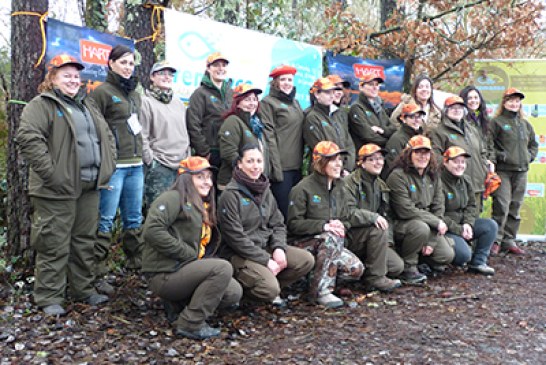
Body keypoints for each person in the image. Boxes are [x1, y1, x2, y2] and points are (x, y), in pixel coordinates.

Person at [17, 54, 116, 315]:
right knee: (53, 242)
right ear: (52, 78)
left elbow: (106, 136)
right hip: (55, 190)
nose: (73, 80)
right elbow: (28, 139)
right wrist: (53, 175)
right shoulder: (42, 105)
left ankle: (82, 289)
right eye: (66, 75)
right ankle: (49, 297)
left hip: (89, 186)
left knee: (84, 241)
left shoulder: (87, 105)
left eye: (76, 75)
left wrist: (109, 165)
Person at [143, 157, 242, 340]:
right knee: (222, 268)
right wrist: (187, 253)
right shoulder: (172, 198)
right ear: (186, 179)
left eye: (209, 177)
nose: (207, 182)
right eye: (200, 177)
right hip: (164, 273)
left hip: (185, 268)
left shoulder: (204, 204)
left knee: (232, 293)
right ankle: (190, 324)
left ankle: (178, 305)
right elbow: (152, 230)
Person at [218, 145, 314, 306]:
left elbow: (278, 223)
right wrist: (266, 260)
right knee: (269, 288)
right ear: (239, 164)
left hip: (266, 246)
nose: (255, 166)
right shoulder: (230, 195)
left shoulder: (264, 189)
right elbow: (235, 237)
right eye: (250, 161)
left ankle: (270, 284)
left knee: (306, 260)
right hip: (240, 255)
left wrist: (278, 248)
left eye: (259, 161)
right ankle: (251, 294)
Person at [91, 45, 144, 292]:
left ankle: (136, 263)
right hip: (115, 167)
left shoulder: (134, 94)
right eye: (123, 62)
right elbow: (95, 129)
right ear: (111, 64)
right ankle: (97, 271)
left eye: (131, 63)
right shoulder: (102, 92)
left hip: (136, 164)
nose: (127, 67)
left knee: (134, 217)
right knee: (105, 219)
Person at [287, 141, 364, 308]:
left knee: (356, 269)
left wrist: (341, 225)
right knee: (329, 238)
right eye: (333, 160)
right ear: (320, 163)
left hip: (331, 245)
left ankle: (316, 280)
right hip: (303, 243)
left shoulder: (341, 187)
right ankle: (321, 292)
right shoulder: (302, 189)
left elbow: (347, 217)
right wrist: (324, 225)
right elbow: (293, 225)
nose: (339, 164)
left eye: (340, 160)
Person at [387, 136, 454, 282]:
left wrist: (432, 241)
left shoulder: (433, 175)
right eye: (418, 152)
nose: (422, 156)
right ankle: (408, 267)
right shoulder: (397, 176)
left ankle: (422, 261)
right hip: (403, 223)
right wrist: (436, 223)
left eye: (426, 153)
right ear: (408, 154)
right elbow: (405, 210)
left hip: (428, 224)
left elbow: (438, 206)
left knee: (446, 256)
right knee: (420, 228)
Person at [344, 144, 404, 291]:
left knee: (396, 267)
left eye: (380, 158)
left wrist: (388, 241)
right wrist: (372, 217)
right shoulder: (349, 183)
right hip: (352, 235)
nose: (378, 162)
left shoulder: (381, 185)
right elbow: (347, 213)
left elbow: (387, 216)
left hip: (375, 239)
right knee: (377, 230)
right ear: (362, 163)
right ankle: (375, 279)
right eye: (372, 159)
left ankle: (366, 270)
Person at [489, 88, 538, 255]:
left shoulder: (525, 124)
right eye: (511, 100)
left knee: (515, 206)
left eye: (517, 101)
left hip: (521, 171)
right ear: (504, 102)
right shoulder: (496, 122)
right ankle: (495, 240)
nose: (514, 103)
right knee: (501, 205)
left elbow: (534, 144)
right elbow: (489, 146)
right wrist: (500, 157)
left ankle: (509, 240)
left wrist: (528, 157)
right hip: (503, 171)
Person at [140, 61, 190, 206]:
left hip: (182, 165)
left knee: (179, 209)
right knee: (158, 211)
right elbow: (142, 135)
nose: (166, 77)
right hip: (160, 165)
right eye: (162, 73)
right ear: (152, 77)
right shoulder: (146, 102)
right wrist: (150, 161)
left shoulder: (179, 103)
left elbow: (185, 131)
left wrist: (187, 156)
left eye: (170, 74)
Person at [441, 147, 497, 275]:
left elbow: (472, 205)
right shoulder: (439, 182)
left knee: (490, 226)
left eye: (462, 162)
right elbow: (438, 214)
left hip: (463, 224)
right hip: (447, 229)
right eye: (455, 162)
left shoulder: (465, 180)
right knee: (463, 255)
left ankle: (478, 262)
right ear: (445, 162)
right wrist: (459, 230)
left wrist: (468, 224)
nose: (460, 165)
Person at [429, 96, 489, 212]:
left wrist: (484, 170)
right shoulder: (439, 131)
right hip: (453, 186)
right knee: (455, 219)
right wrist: (452, 168)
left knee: (474, 219)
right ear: (446, 110)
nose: (457, 110)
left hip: (476, 185)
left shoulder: (473, 130)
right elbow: (435, 157)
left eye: (460, 108)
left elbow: (482, 152)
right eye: (453, 108)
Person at [260, 65, 304, 219]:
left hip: (296, 166)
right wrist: (276, 167)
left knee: (295, 209)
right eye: (283, 79)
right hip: (281, 167)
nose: (287, 83)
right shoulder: (268, 103)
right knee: (282, 211)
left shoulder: (296, 103)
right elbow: (268, 136)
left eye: (290, 79)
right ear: (275, 82)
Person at [218, 84, 282, 189]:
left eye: (254, 99)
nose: (252, 103)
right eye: (247, 100)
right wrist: (248, 172)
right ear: (237, 103)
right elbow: (228, 153)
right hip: (235, 185)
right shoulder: (233, 121)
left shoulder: (257, 123)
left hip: (255, 183)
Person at [186, 52, 233, 173]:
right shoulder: (200, 94)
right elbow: (193, 124)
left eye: (224, 65)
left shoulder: (231, 93)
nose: (221, 68)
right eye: (216, 65)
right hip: (211, 153)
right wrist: (204, 151)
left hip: (229, 151)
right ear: (208, 68)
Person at [303, 77, 356, 173]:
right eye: (327, 92)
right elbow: (320, 149)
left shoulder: (338, 115)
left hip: (343, 172)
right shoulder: (312, 118)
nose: (332, 96)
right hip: (324, 172)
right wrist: (340, 169)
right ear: (316, 94)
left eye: (332, 92)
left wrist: (347, 168)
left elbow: (349, 144)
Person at [459, 85, 495, 209]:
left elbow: (490, 146)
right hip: (466, 171)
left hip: (481, 173)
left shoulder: (484, 120)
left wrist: (490, 162)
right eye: (469, 98)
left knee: (477, 210)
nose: (473, 101)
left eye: (476, 97)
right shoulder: (460, 120)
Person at [349, 74, 397, 150]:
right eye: (371, 84)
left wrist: (382, 130)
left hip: (381, 154)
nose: (375, 88)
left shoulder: (379, 107)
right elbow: (368, 135)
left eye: (377, 85)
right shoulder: (356, 108)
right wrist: (390, 142)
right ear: (361, 87)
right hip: (366, 156)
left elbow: (393, 129)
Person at [384, 103, 425, 177]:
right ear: (403, 119)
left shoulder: (422, 137)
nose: (416, 120)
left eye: (418, 117)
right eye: (412, 117)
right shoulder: (397, 139)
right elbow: (394, 165)